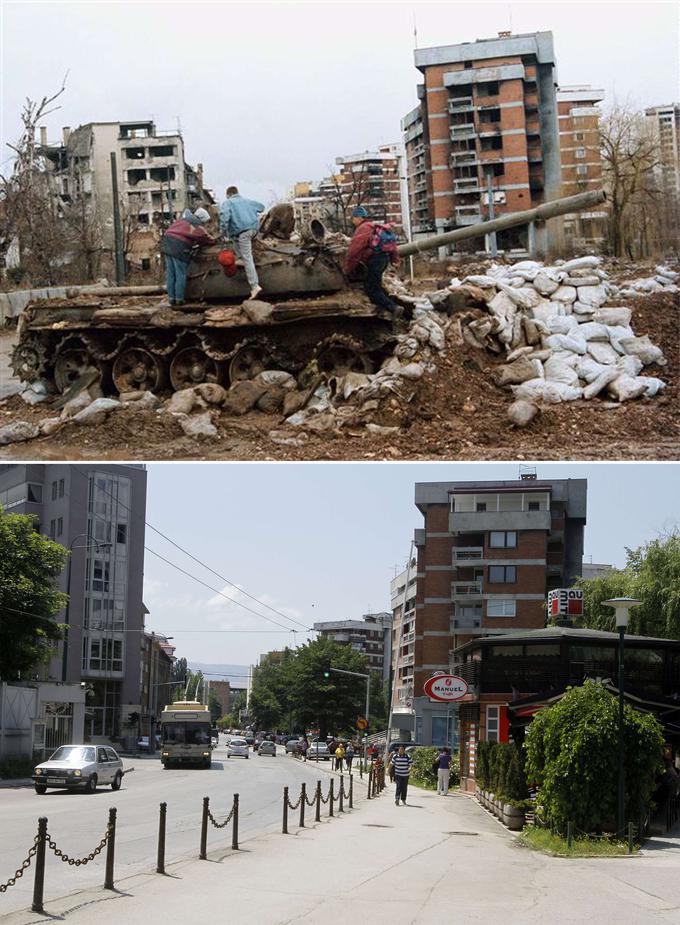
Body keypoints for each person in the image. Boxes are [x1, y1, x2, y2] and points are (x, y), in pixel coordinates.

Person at [344, 206, 401, 315]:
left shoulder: (363, 228)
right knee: (376, 285)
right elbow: (393, 246)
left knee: (371, 290)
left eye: (353, 218)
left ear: (359, 218)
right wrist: (395, 259)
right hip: (383, 259)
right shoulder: (374, 226)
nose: (352, 221)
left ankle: (394, 308)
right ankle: (388, 306)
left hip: (375, 260)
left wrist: (348, 269)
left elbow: (354, 251)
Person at [160, 207, 214, 306]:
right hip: (178, 246)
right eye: (205, 222)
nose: (204, 224)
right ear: (202, 219)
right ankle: (179, 299)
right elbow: (204, 238)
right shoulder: (196, 224)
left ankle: (171, 299)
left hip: (167, 242)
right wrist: (212, 239)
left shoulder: (184, 220)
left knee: (171, 273)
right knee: (181, 273)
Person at [219, 186, 265, 299]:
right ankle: (239, 259)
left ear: (228, 195)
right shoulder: (247, 201)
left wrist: (223, 232)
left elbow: (224, 218)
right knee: (234, 237)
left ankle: (255, 286)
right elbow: (262, 207)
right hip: (254, 230)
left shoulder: (228, 202)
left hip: (244, 232)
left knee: (247, 258)